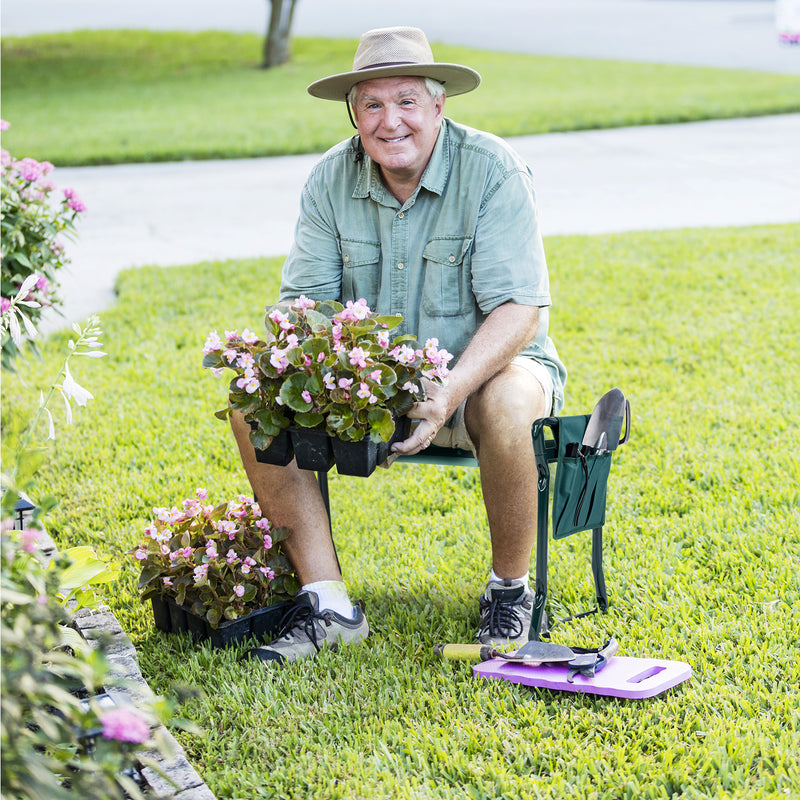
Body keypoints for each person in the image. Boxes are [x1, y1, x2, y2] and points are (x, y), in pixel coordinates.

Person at [232, 26, 567, 664]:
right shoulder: (329, 180)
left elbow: (521, 310)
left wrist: (448, 391)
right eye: (372, 106)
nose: (391, 122)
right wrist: (328, 380)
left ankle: (510, 592)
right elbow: (301, 303)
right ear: (354, 114)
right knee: (253, 404)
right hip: (374, 388)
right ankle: (328, 606)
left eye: (407, 101)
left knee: (505, 402)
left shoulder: (492, 169)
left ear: (440, 106)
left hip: (486, 377)